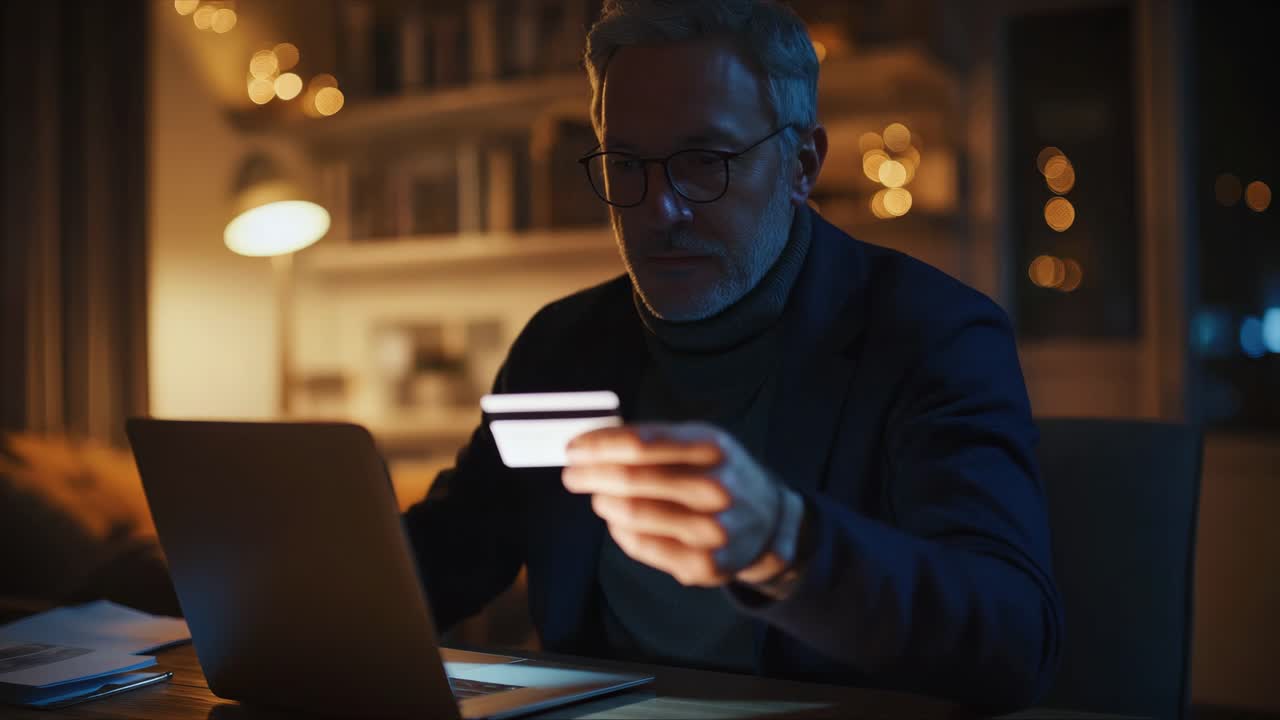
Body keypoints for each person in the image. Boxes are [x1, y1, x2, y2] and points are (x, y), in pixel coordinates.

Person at [404, 0, 1062, 711]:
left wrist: (783, 545)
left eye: (704, 161)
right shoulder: (561, 345)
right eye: (627, 164)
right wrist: (282, 586)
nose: (659, 209)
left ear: (801, 165)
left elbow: (1011, 639)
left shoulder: (930, 334)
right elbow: (446, 556)